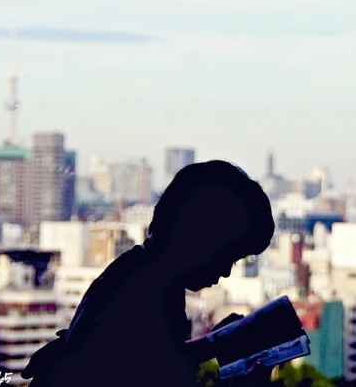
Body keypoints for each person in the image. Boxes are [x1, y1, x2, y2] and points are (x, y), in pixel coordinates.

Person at [22, 159, 276, 387]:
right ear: (202, 236)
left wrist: (213, 343)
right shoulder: (152, 300)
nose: (227, 271)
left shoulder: (135, 271)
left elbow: (149, 360)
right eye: (228, 255)